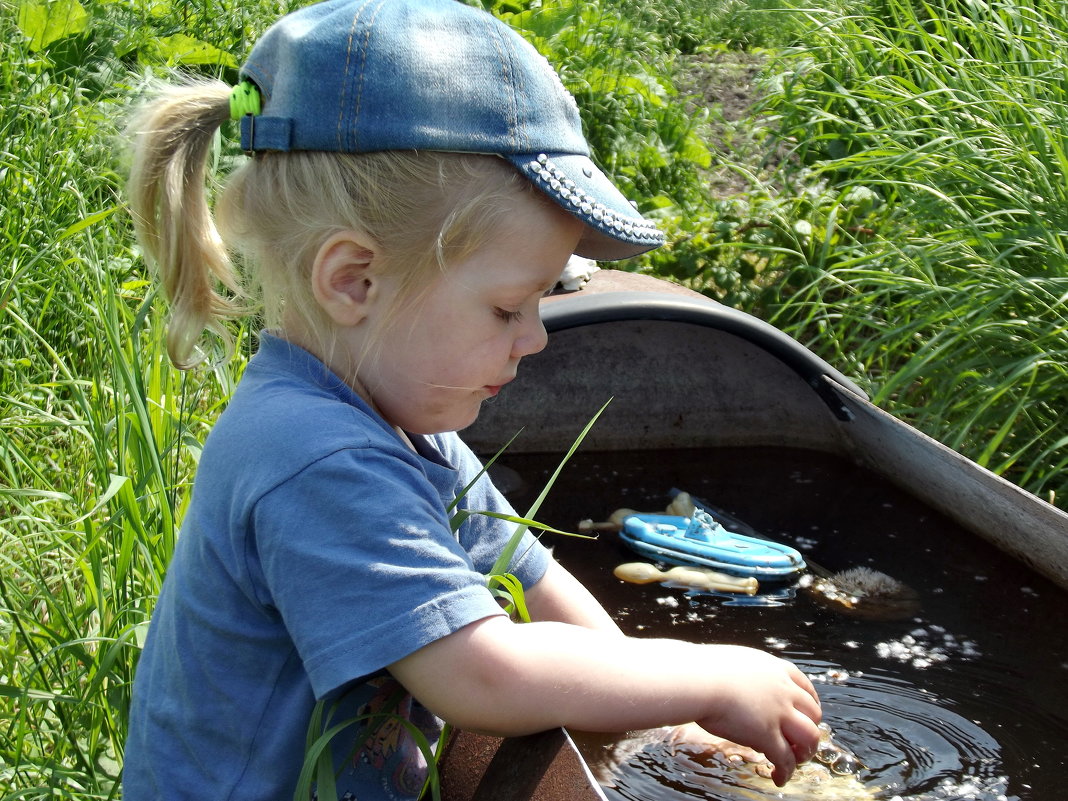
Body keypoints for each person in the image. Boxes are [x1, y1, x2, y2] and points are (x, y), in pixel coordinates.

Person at [121, 0, 822, 798]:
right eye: (506, 307)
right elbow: (480, 674)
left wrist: (667, 721)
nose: (537, 337)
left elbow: (545, 587)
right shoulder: (312, 456)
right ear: (354, 280)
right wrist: (703, 673)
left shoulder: (404, 431)